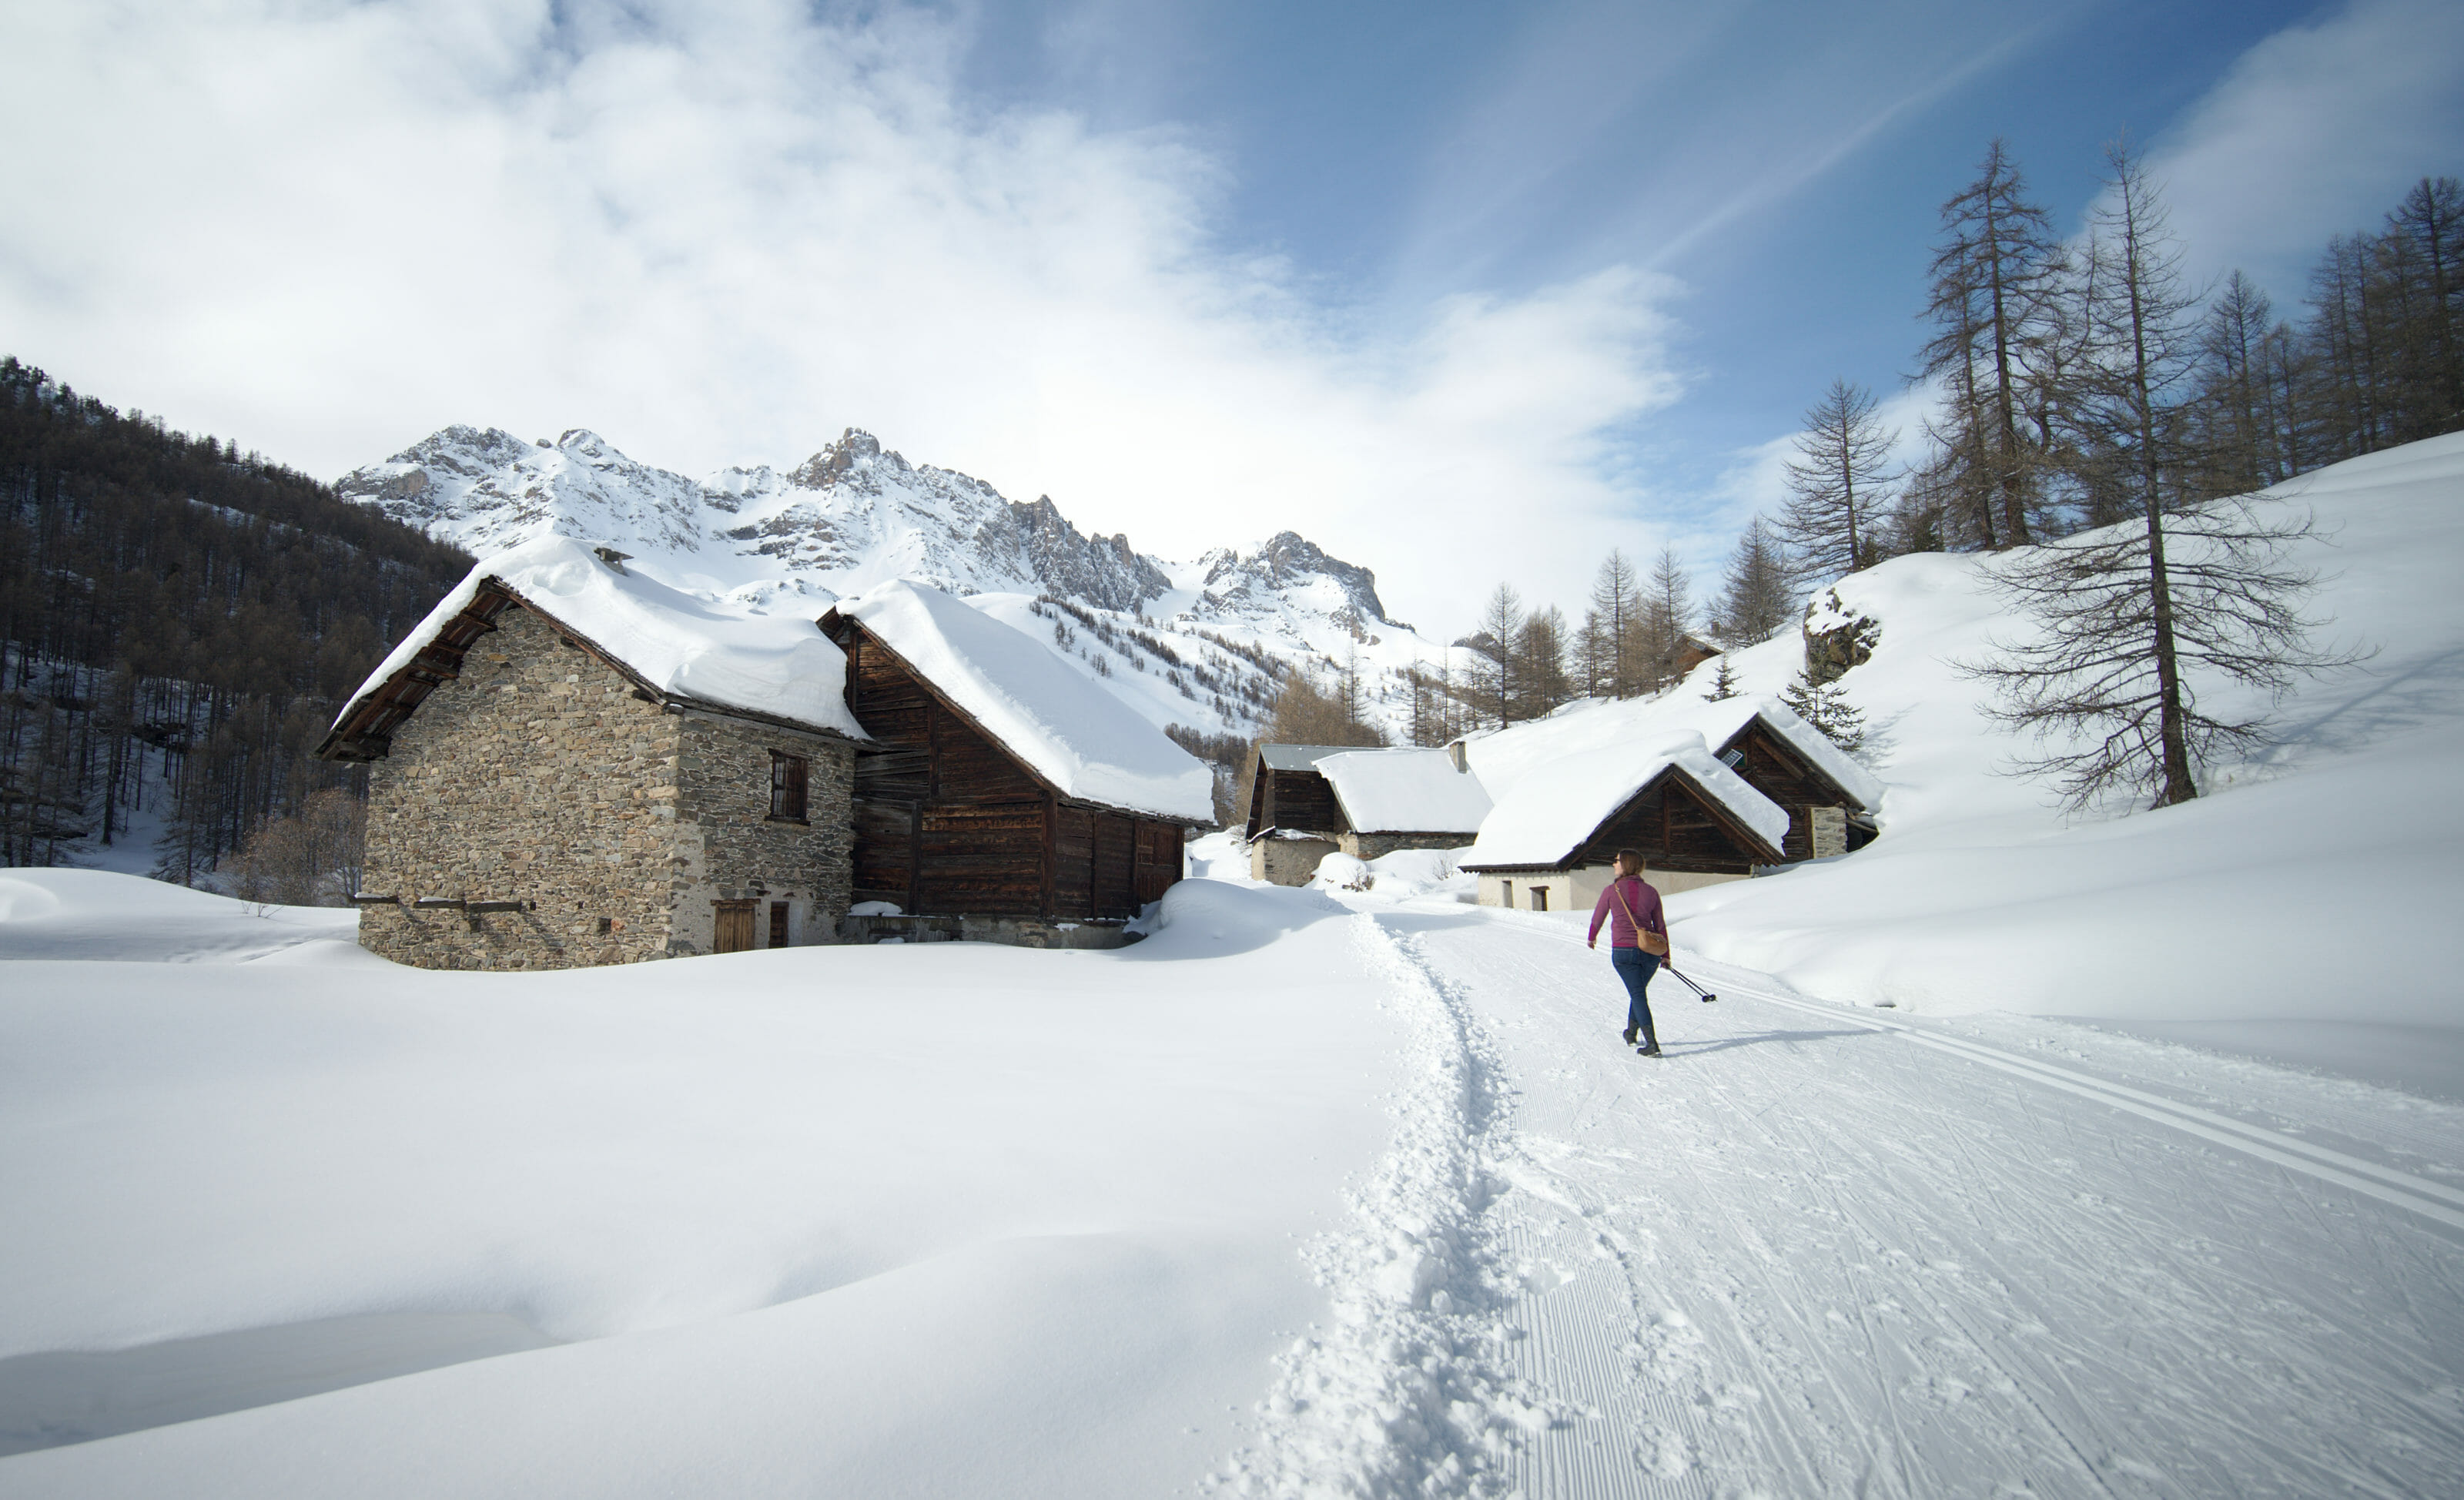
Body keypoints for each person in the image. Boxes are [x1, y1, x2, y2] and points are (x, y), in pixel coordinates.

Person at [1587, 849, 1669, 1056]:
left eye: (1616, 861)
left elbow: (1598, 916)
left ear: (1625, 865)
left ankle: (1652, 1043)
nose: (1613, 865)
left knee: (1638, 994)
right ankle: (1631, 1032)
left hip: (1624, 952)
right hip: (1650, 952)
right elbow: (1660, 925)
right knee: (1638, 991)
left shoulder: (1611, 890)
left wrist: (1592, 936)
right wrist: (1666, 955)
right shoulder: (1651, 892)